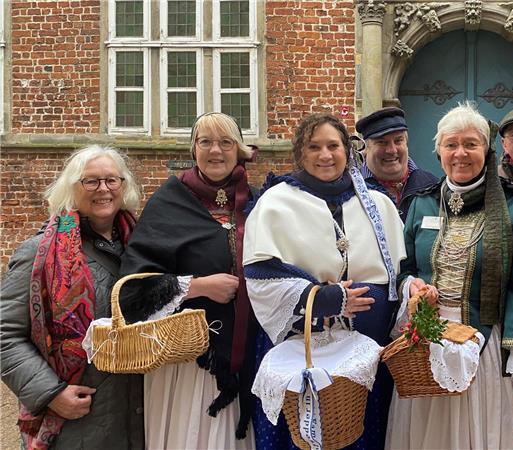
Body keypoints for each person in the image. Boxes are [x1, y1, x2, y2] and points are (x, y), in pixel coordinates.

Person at [386, 102, 513, 449]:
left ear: (487, 151)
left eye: (471, 144)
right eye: (451, 144)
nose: (460, 153)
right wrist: (411, 288)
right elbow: (402, 270)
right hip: (424, 351)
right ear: (438, 152)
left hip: (484, 353)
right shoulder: (421, 205)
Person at [243, 113, 406, 449]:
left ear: (348, 151)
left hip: (364, 356)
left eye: (333, 146)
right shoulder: (275, 202)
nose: (325, 155)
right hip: (301, 348)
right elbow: (260, 277)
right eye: (314, 147)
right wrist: (326, 299)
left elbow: (399, 274)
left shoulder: (376, 203)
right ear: (300, 154)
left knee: (359, 433)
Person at [118, 112, 257, 449]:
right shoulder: (169, 201)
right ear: (193, 149)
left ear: (239, 149)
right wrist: (198, 286)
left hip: (252, 354)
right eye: (205, 141)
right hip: (189, 359)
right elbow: (133, 288)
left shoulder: (257, 201)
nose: (216, 151)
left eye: (226, 142)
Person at [0, 146, 143, 449]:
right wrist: (51, 394)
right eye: (90, 181)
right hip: (77, 424)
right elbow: (5, 335)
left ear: (123, 186)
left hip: (143, 418)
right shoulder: (39, 253)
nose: (103, 189)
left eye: (112, 180)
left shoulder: (144, 248)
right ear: (71, 188)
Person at [356, 106, 439, 220]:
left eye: (398, 141)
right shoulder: (354, 190)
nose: (392, 150)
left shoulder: (432, 186)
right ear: (366, 148)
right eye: (382, 142)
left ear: (406, 143)